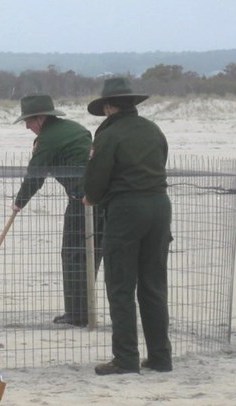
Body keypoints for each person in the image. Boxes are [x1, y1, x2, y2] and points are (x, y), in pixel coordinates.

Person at [83, 77, 173, 375]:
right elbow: (161, 160)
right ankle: (161, 358)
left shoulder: (109, 135)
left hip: (126, 210)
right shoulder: (152, 129)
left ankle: (126, 358)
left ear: (109, 106)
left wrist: (91, 197)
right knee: (154, 285)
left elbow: (97, 177)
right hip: (160, 206)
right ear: (132, 104)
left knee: (121, 285)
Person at [11, 95, 103, 327]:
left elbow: (35, 175)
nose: (27, 127)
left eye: (29, 121)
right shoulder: (76, 128)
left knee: (72, 254)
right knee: (93, 254)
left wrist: (19, 202)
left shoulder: (48, 140)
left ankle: (77, 314)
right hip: (105, 198)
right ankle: (86, 311)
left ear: (40, 119)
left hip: (81, 201)